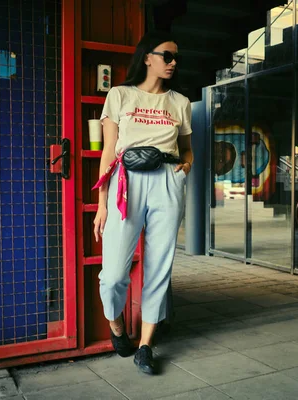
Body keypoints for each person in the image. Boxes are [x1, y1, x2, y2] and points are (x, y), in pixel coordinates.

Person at [92, 31, 193, 375]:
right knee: (114, 274)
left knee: (159, 267)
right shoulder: (120, 95)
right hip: (126, 181)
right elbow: (108, 152)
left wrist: (187, 165)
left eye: (176, 57)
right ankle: (118, 326)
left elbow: (187, 146)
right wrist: (102, 202)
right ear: (148, 57)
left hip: (167, 179)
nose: (173, 62)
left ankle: (146, 346)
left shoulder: (180, 102)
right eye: (168, 55)